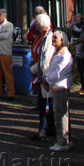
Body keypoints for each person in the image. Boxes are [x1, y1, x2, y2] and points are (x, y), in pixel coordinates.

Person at [43, 30, 73, 151]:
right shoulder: (57, 53)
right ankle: (63, 139)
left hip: (61, 86)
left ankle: (63, 141)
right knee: (59, 114)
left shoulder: (65, 55)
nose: (53, 40)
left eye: (56, 38)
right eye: (53, 37)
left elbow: (58, 73)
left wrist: (47, 80)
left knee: (61, 115)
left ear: (63, 40)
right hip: (55, 86)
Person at [30, 13, 56, 141]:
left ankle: (44, 129)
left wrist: (43, 76)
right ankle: (49, 128)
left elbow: (46, 58)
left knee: (44, 104)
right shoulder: (41, 36)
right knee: (45, 103)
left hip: (45, 76)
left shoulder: (47, 37)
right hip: (41, 73)